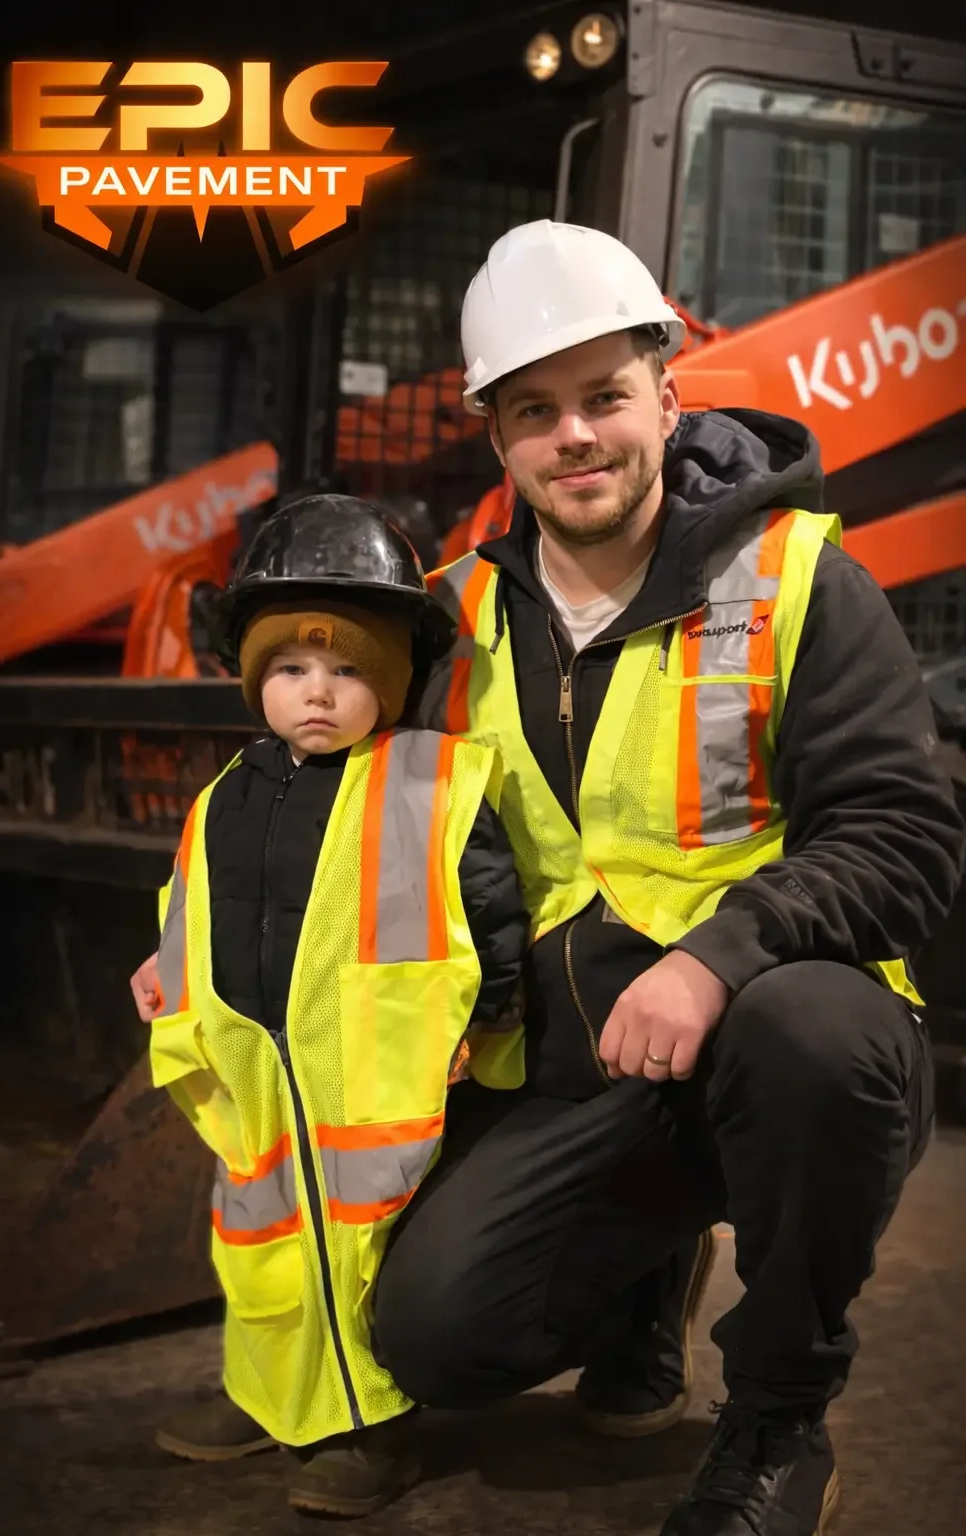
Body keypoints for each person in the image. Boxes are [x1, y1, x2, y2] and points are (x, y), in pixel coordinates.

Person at [363, 221, 965, 1536]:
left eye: (603, 397)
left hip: (772, 1043)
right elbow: (378, 838)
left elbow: (904, 836)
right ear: (498, 437)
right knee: (434, 1341)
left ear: (666, 395)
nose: (573, 436)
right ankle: (646, 1278)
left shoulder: (800, 581)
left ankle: (776, 1424)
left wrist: (717, 957)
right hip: (579, 1073)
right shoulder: (448, 619)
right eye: (536, 411)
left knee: (818, 1035)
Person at [129, 493, 529, 1518]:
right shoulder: (229, 789)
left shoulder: (428, 784)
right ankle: (268, 1397)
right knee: (259, 1249)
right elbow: (198, 896)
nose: (318, 693)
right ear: (256, 678)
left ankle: (368, 1429)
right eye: (292, 670)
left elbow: (490, 914)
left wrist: (488, 1022)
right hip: (264, 1079)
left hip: (374, 1083)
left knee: (359, 1253)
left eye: (349, 670)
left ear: (391, 680)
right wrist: (166, 965)